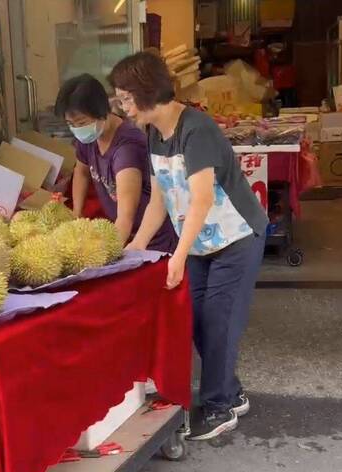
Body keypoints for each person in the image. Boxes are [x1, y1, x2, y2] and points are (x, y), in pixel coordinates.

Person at [109, 52, 268, 441]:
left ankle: (219, 406)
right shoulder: (153, 133)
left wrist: (177, 257)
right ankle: (231, 391)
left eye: (126, 99)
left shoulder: (196, 129)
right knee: (195, 320)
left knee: (219, 323)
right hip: (199, 243)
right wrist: (138, 243)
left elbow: (201, 199)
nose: (123, 108)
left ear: (146, 93)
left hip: (236, 238)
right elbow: (161, 197)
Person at [55, 74, 176, 252]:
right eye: (70, 124)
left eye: (81, 122)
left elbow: (125, 217)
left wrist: (103, 258)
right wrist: (77, 213)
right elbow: (81, 172)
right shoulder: (89, 138)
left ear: (102, 112)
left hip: (151, 241)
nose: (77, 129)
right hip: (121, 234)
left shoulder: (127, 149)